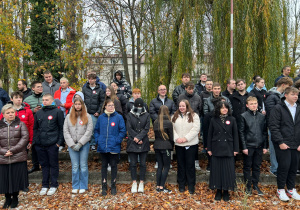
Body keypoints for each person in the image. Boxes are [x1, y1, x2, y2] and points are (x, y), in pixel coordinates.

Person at [269, 87, 300, 201]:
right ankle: (280, 190)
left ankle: (291, 189)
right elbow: (273, 126)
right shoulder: (278, 108)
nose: (296, 96)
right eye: (293, 94)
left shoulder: (299, 108)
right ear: (286, 95)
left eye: (297, 94)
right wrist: (280, 142)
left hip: (296, 144)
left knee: (293, 167)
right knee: (284, 167)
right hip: (283, 144)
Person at [33, 94, 64, 196]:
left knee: (53, 165)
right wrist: (35, 141)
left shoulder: (57, 112)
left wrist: (59, 143)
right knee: (44, 165)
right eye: (43, 100)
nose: (44, 101)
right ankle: (45, 184)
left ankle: (54, 184)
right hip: (40, 144)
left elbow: (61, 128)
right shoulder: (39, 113)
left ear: (52, 101)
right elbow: (35, 128)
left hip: (52, 143)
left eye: (46, 100)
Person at [207, 101, 239, 202]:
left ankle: (226, 190)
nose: (224, 109)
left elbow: (235, 135)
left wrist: (236, 149)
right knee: (217, 170)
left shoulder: (232, 119)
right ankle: (218, 190)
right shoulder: (213, 120)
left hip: (228, 148)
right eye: (222, 108)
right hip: (216, 148)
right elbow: (209, 135)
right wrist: (209, 148)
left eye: (226, 108)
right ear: (218, 109)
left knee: (227, 170)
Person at [94, 99, 126, 196]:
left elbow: (122, 131)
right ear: (105, 107)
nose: (111, 107)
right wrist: (98, 140)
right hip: (103, 146)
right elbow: (96, 130)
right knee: (104, 165)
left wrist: (117, 140)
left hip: (114, 146)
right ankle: (104, 185)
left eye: (112, 105)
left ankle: (113, 184)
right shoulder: (101, 118)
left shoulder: (118, 117)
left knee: (113, 165)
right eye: (109, 105)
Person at [0, 104, 29, 208]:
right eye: (8, 113)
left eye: (12, 112)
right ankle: (7, 198)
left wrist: (12, 150)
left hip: (17, 156)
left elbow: (24, 138)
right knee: (4, 179)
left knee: (16, 178)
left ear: (15, 113)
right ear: (3, 114)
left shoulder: (21, 124)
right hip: (2, 157)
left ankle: (15, 198)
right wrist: (3, 151)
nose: (10, 114)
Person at [238, 97, 268, 195]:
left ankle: (255, 185)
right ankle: (248, 187)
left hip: (259, 146)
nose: (254, 105)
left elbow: (264, 132)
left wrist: (265, 146)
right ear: (247, 105)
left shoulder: (261, 116)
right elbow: (241, 132)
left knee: (257, 166)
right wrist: (244, 147)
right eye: (251, 104)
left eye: (255, 103)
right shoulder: (243, 116)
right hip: (249, 146)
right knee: (247, 167)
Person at [64, 97, 93, 194]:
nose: (77, 106)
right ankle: (76, 185)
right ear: (73, 105)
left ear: (82, 105)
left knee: (83, 166)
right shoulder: (68, 117)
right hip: (72, 145)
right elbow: (66, 131)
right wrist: (72, 144)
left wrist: (80, 143)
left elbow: (89, 131)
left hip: (83, 145)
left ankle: (83, 185)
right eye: (76, 104)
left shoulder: (87, 116)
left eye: (79, 104)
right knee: (75, 166)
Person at [265, 77, 293, 177]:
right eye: (289, 86)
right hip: (274, 127)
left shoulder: (281, 96)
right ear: (283, 85)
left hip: (283, 127)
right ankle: (274, 168)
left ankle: (279, 168)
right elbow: (272, 113)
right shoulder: (272, 96)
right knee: (273, 149)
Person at [172, 99, 200, 194]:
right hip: (179, 145)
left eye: (183, 106)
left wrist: (186, 138)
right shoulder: (174, 116)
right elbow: (172, 129)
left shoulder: (194, 116)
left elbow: (196, 129)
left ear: (187, 106)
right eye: (180, 106)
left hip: (190, 145)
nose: (181, 108)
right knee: (181, 165)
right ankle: (181, 184)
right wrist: (177, 138)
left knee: (190, 165)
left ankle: (191, 185)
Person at [126, 98, 150, 193]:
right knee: (133, 164)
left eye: (141, 106)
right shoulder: (129, 115)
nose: (139, 108)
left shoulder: (147, 115)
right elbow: (129, 128)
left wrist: (139, 138)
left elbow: (146, 128)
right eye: (137, 106)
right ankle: (134, 182)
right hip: (132, 142)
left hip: (143, 142)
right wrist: (136, 138)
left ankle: (141, 182)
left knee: (143, 164)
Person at [178, 81, 202, 170]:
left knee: (194, 140)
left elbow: (200, 108)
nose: (191, 91)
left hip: (194, 120)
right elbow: (179, 107)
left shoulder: (197, 97)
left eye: (192, 89)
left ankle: (196, 160)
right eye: (189, 89)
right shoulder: (181, 97)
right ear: (186, 89)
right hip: (183, 120)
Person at [24, 81, 44, 173]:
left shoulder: (46, 97)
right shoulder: (27, 99)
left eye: (41, 86)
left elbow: (53, 107)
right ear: (33, 88)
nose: (40, 88)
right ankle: (35, 165)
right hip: (33, 126)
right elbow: (24, 111)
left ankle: (44, 166)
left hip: (45, 125)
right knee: (35, 147)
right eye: (38, 87)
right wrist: (33, 110)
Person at [82, 73, 105, 151]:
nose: (90, 80)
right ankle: (85, 144)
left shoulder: (100, 90)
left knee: (93, 129)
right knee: (85, 129)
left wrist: (98, 111)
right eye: (89, 79)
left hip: (94, 113)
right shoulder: (85, 89)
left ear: (95, 79)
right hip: (86, 113)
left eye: (92, 79)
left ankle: (93, 144)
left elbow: (102, 102)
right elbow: (82, 101)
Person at [153, 105, 174, 193]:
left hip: (157, 146)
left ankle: (158, 186)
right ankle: (162, 187)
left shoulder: (155, 122)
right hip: (166, 146)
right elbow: (171, 137)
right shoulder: (169, 123)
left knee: (160, 166)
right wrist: (171, 146)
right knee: (166, 167)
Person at [202, 97, 225, 172]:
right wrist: (206, 145)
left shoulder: (229, 117)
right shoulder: (208, 116)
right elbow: (205, 131)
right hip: (212, 140)